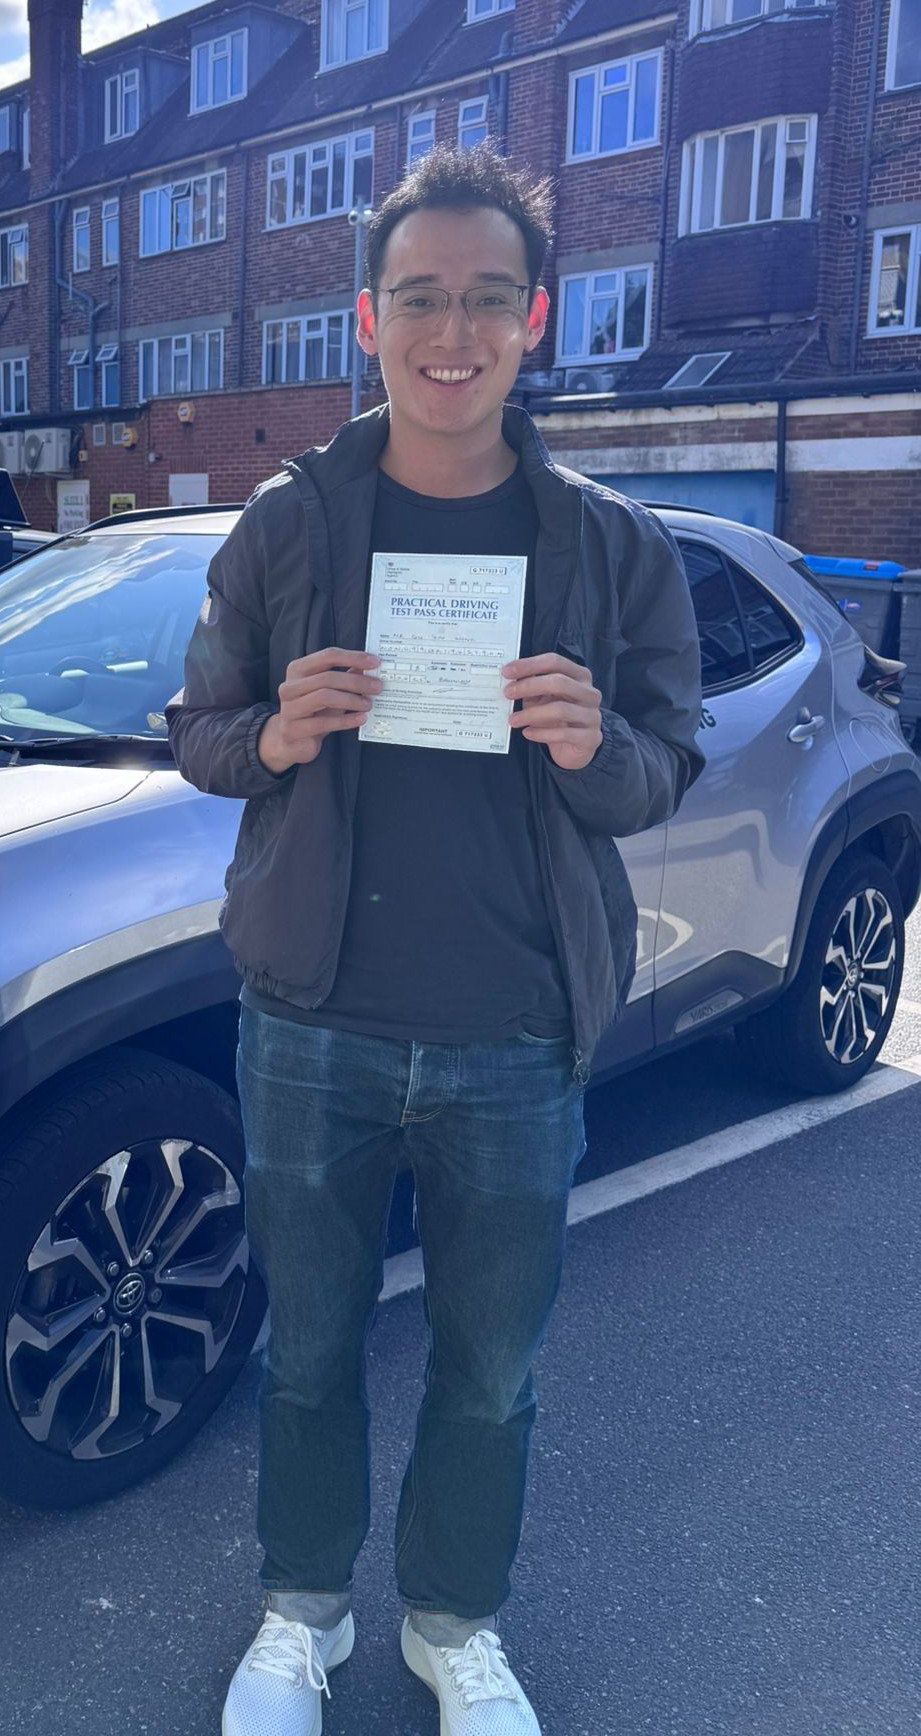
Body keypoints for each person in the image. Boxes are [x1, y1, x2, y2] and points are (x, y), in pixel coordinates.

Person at [166, 144, 705, 1736]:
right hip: (311, 1023)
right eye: (419, 298)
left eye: (484, 299)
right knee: (310, 1356)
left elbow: (658, 766)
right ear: (367, 317)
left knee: (487, 1375)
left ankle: (454, 1627)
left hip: (516, 1031)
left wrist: (591, 742)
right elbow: (196, 729)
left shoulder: (610, 543)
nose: (449, 331)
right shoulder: (287, 521)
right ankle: (302, 1618)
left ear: (533, 318)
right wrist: (269, 740)